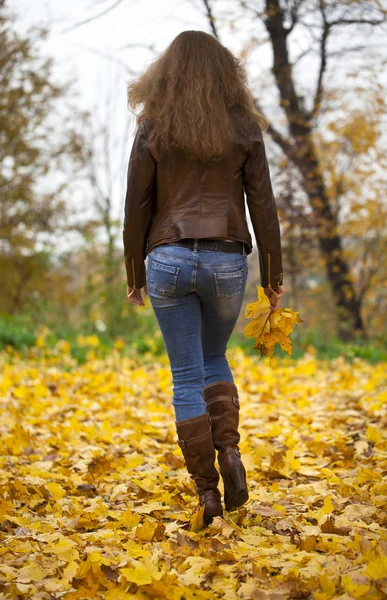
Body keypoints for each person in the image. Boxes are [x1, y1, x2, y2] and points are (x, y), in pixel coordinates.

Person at [123, 30, 285, 525]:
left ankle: (208, 495)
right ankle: (231, 456)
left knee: (186, 376)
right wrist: (273, 279)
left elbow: (137, 205)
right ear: (225, 73)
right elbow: (263, 206)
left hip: (167, 257)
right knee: (215, 358)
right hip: (225, 260)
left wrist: (135, 273)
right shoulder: (244, 127)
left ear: (166, 74)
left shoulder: (154, 124)